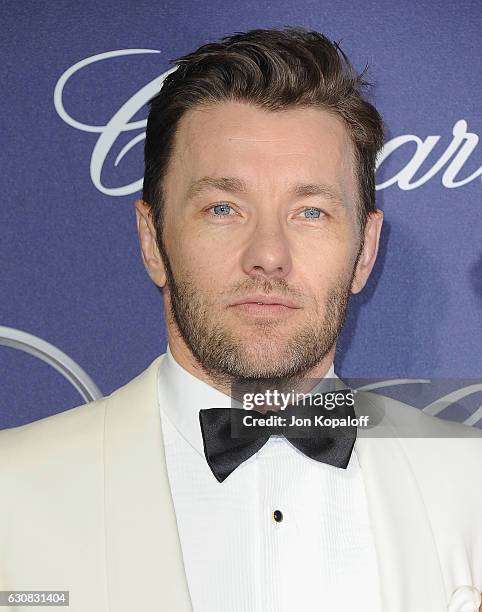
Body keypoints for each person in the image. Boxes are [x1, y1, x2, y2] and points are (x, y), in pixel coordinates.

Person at [0, 27, 481, 612]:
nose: (269, 254)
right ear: (152, 239)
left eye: (311, 211)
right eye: (223, 208)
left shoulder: (471, 486)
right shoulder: (12, 493)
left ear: (367, 249)